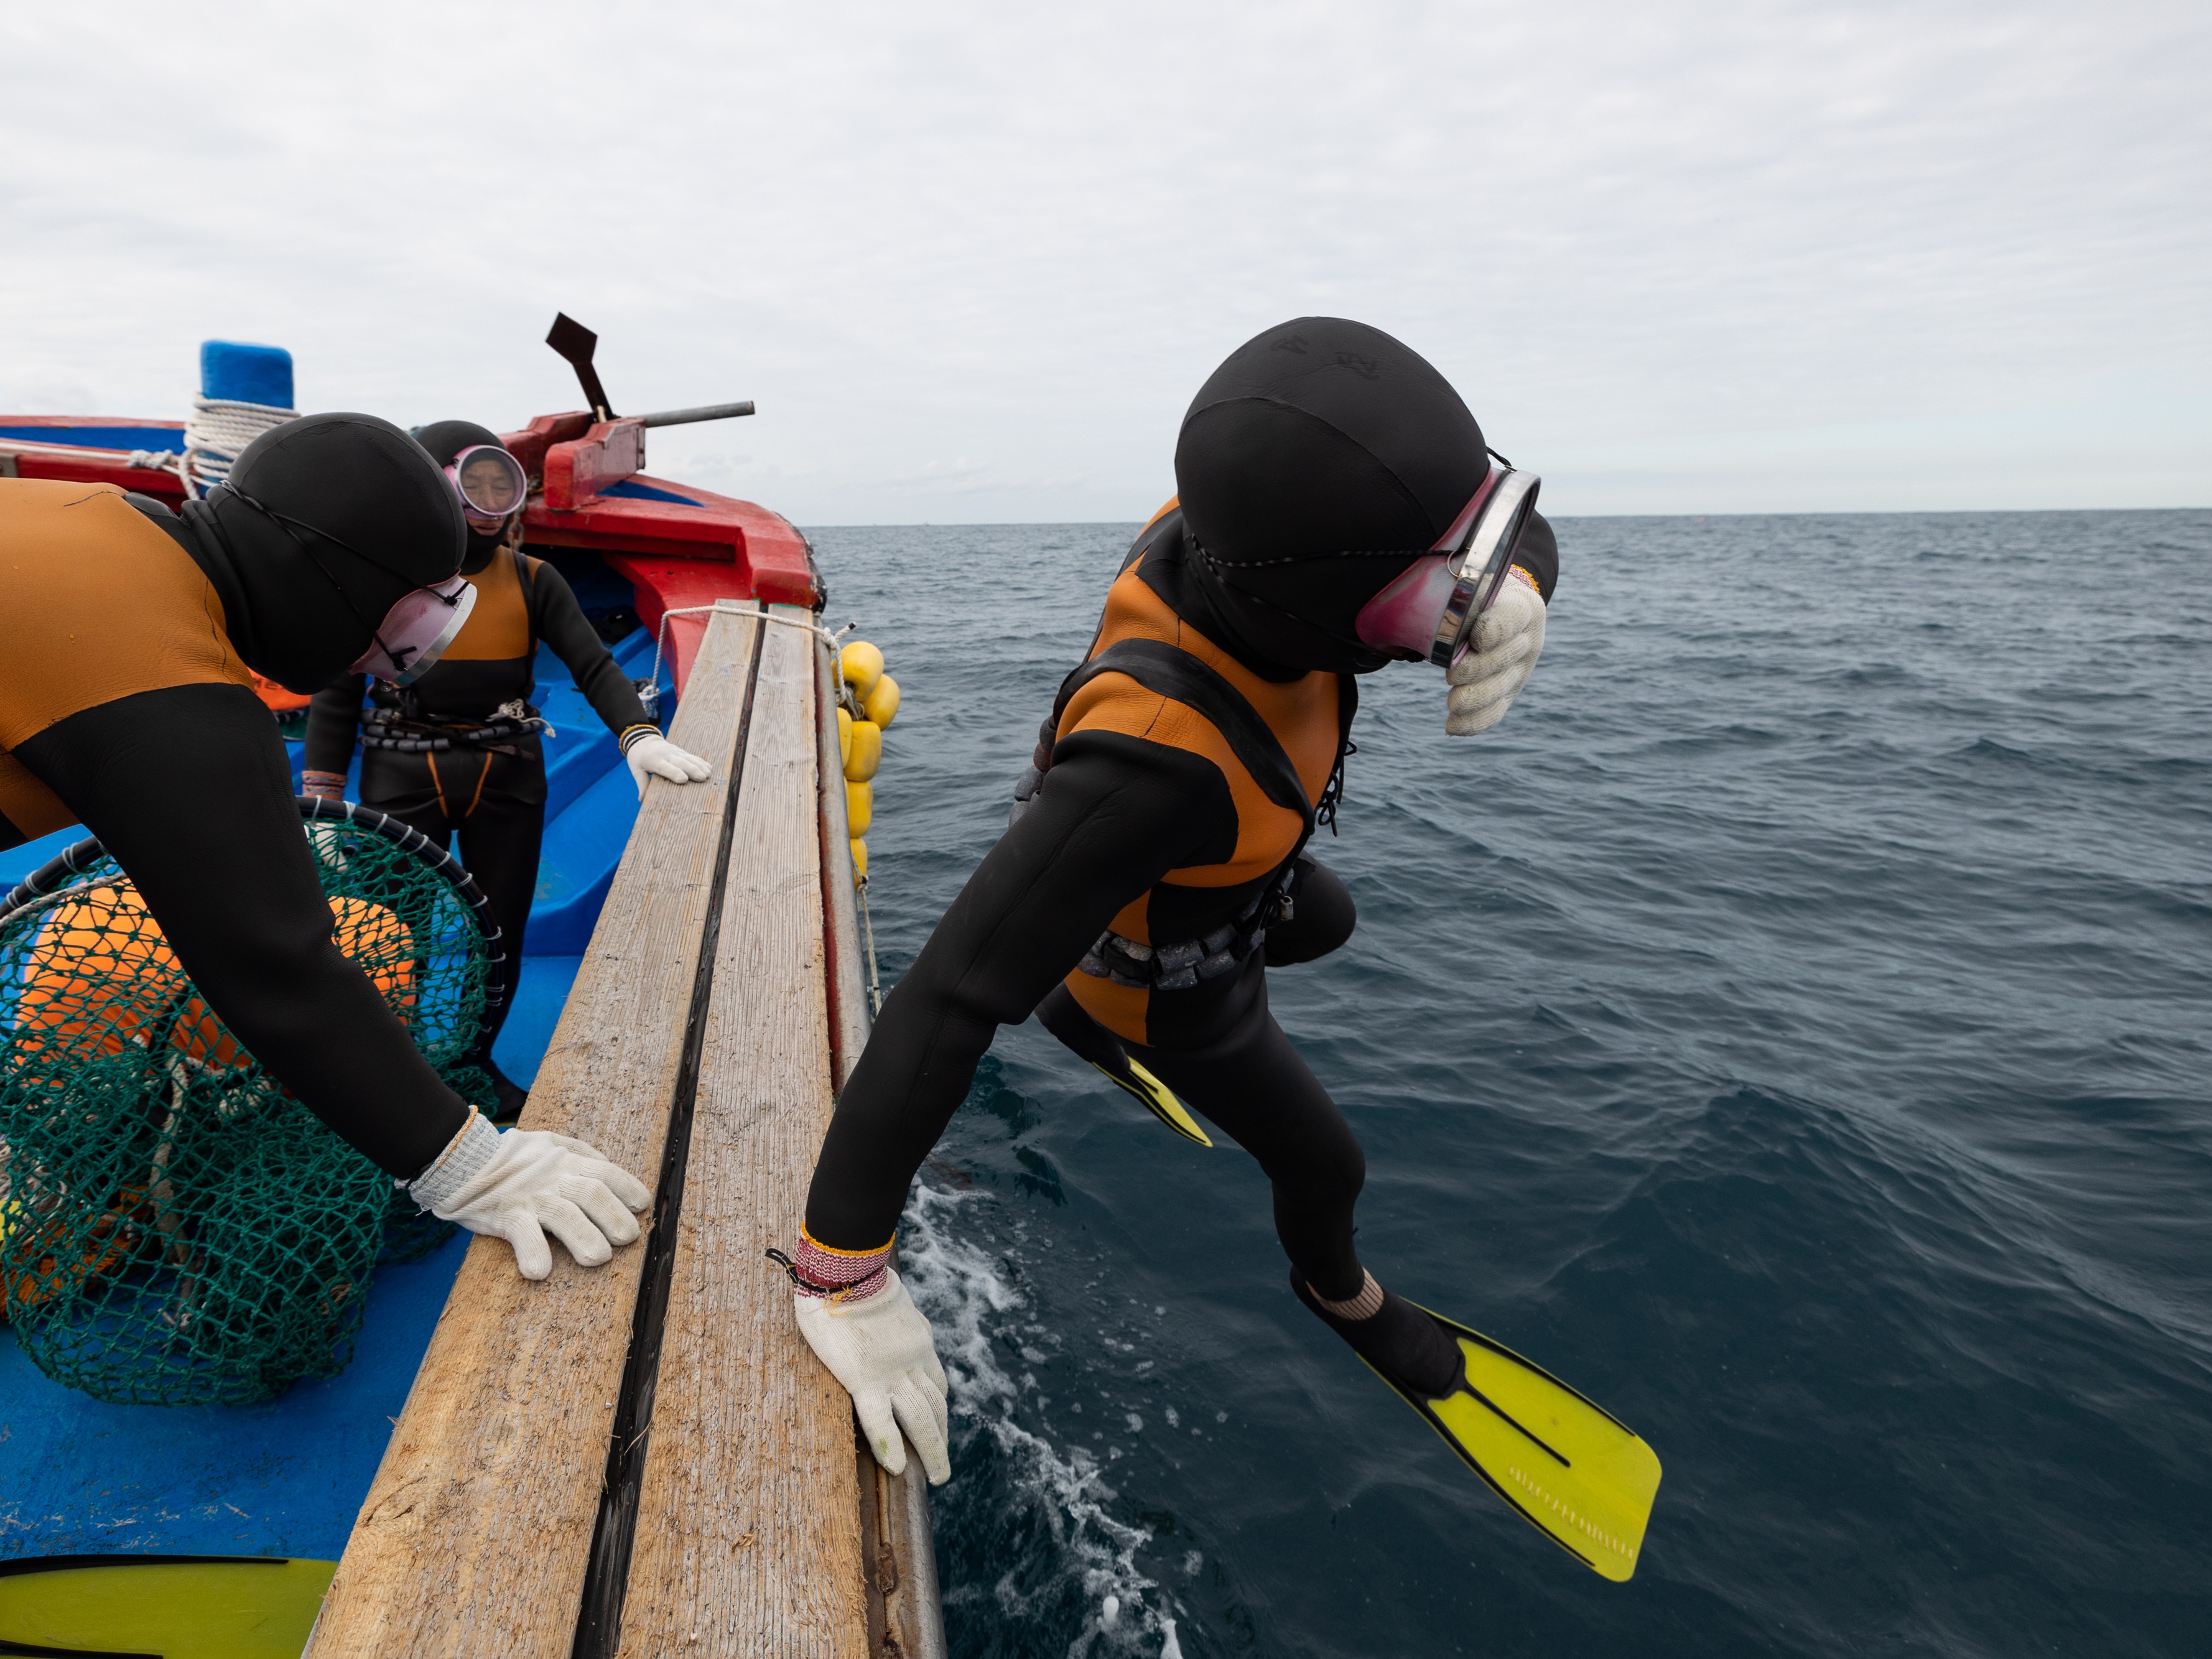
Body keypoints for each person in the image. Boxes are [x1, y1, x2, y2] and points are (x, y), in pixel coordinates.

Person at [781, 317, 1619, 1544]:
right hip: (1174, 985)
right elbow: (948, 995)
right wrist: (841, 1270)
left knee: (1325, 918)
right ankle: (1338, 1291)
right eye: (1433, 597)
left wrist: (1523, 575)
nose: (1460, 606)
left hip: (1225, 875)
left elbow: (1467, 508)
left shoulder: (1234, 520)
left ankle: (1099, 985)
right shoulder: (1149, 767)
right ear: (1320, 603)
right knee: (1328, 1163)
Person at [0, 413, 651, 1281]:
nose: (397, 651)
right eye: (408, 610)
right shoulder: (175, 686)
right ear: (331, 580)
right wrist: (474, 1166)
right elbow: (277, 968)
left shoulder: (103, 516)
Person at [302, 420, 710, 1120]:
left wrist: (637, 736)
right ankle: (391, 1071)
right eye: (471, 485)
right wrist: (323, 796)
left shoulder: (533, 579)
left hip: (507, 774)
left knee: (501, 934)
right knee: (391, 929)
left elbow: (593, 663)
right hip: (403, 771)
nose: (488, 504)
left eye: (501, 487)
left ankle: (471, 1060)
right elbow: (338, 691)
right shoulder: (382, 582)